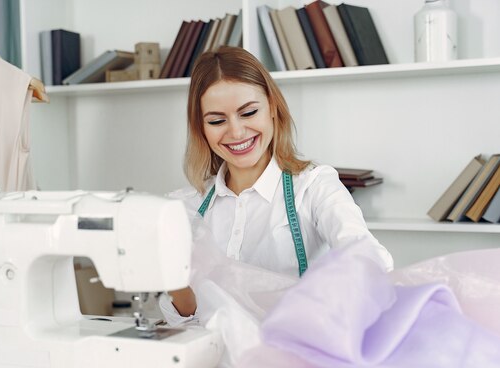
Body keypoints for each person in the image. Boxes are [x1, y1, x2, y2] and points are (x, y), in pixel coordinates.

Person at [161, 46, 393, 321]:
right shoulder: (184, 207)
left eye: (248, 113)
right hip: (212, 358)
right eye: (217, 120)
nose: (236, 132)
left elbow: (367, 256)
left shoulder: (314, 187)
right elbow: (185, 318)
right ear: (201, 127)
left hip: (291, 355)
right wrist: (172, 274)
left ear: (272, 106)